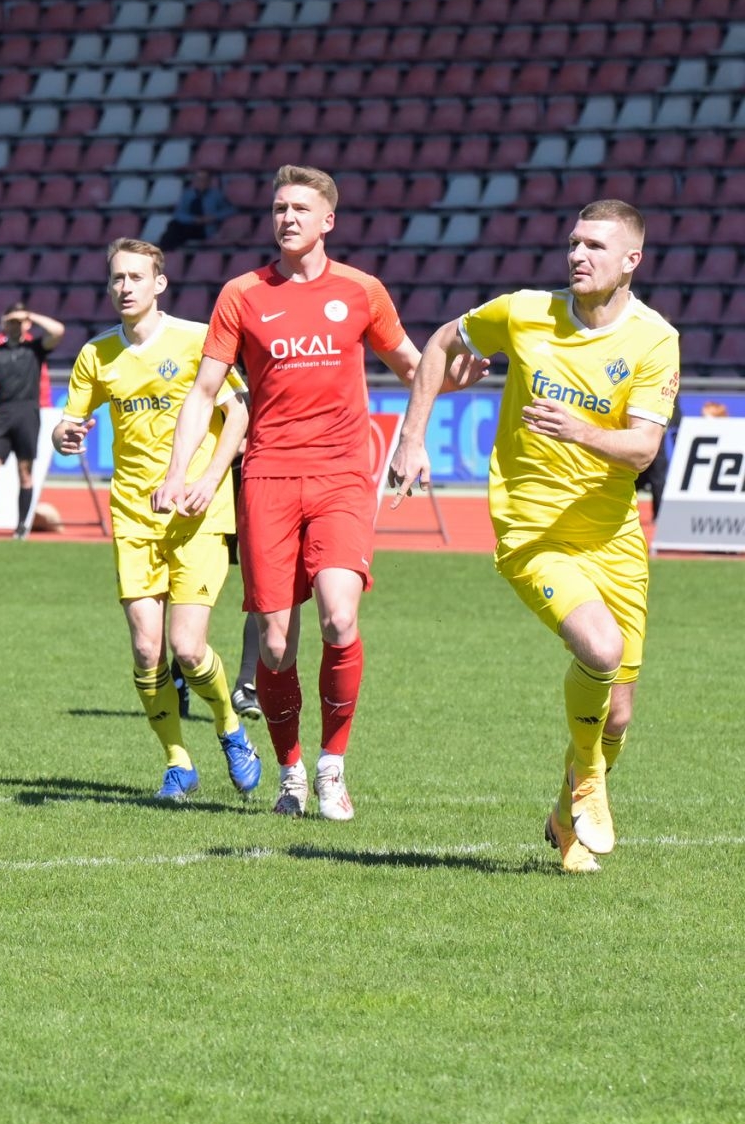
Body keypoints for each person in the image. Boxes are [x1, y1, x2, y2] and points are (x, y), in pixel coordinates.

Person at [159, 165, 488, 822]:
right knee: (275, 642)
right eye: (279, 207)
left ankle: (332, 766)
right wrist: (177, 470)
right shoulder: (241, 294)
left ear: (328, 221)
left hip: (341, 475)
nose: (287, 218)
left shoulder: (362, 291)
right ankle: (291, 771)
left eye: (300, 208)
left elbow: (412, 366)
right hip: (268, 478)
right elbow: (203, 392)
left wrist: (449, 386)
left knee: (340, 616)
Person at [392, 200, 677, 873]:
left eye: (595, 247)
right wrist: (411, 436)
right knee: (599, 649)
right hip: (531, 528)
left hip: (613, 536)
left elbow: (643, 449)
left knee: (618, 716)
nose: (578, 255)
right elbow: (441, 342)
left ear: (631, 261)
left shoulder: (654, 339)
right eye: (574, 243)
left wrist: (580, 430)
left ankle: (564, 818)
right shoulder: (523, 312)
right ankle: (587, 779)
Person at [51, 239, 261, 802]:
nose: (125, 287)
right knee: (147, 651)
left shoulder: (197, 340)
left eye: (136, 277)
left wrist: (209, 479)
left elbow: (238, 413)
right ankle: (177, 761)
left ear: (159, 284)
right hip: (134, 515)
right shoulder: (97, 354)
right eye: (117, 278)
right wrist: (63, 435)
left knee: (188, 649)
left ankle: (230, 728)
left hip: (197, 514)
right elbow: (69, 421)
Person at [0, 302, 65, 540]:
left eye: (20, 322)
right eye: (11, 321)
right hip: (2, 415)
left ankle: (21, 528)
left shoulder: (35, 348)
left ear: (27, 324)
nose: (15, 326)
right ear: (4, 323)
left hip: (27, 414)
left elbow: (58, 330)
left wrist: (29, 314)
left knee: (25, 473)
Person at [158, 170, 237, 252]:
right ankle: (165, 249)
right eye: (198, 179)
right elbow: (179, 213)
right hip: (190, 223)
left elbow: (231, 210)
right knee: (174, 225)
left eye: (204, 179)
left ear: (209, 181)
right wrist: (194, 219)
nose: (201, 182)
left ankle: (164, 250)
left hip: (204, 228)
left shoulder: (217, 195)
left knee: (177, 232)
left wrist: (213, 217)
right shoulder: (187, 195)